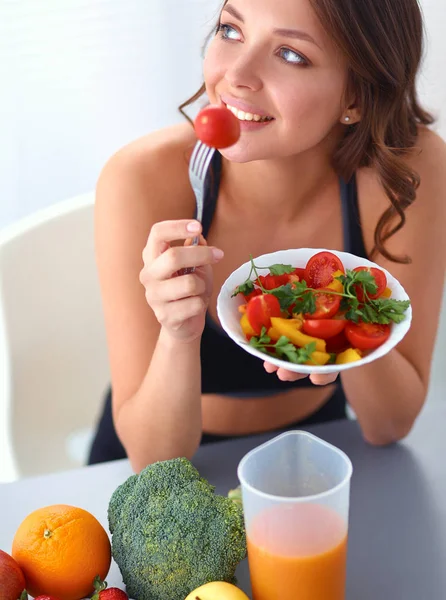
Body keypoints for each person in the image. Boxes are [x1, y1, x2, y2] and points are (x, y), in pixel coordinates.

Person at [88, 0, 446, 472]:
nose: (236, 74)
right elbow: (154, 459)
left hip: (317, 450)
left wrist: (343, 326)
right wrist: (178, 334)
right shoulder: (140, 179)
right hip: (173, 465)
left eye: (290, 55)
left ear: (355, 98)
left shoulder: (408, 172)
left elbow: (388, 426)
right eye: (231, 31)